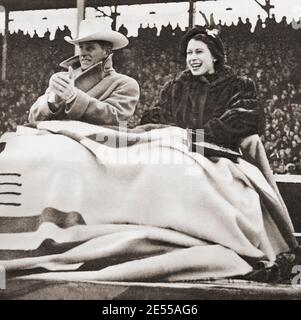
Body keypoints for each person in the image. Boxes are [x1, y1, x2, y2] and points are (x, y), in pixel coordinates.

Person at [141, 26, 300, 281]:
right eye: (189, 53)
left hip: (222, 157)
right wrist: (176, 136)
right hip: (181, 155)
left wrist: (196, 136)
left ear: (214, 55)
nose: (192, 57)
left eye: (199, 52)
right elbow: (155, 117)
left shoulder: (238, 85)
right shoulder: (175, 87)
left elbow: (245, 119)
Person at [29, 19, 140, 126]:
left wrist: (74, 98)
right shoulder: (63, 79)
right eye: (81, 48)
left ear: (106, 52)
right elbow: (33, 118)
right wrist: (53, 103)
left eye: (90, 48)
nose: (83, 53)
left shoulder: (125, 84)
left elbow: (116, 118)